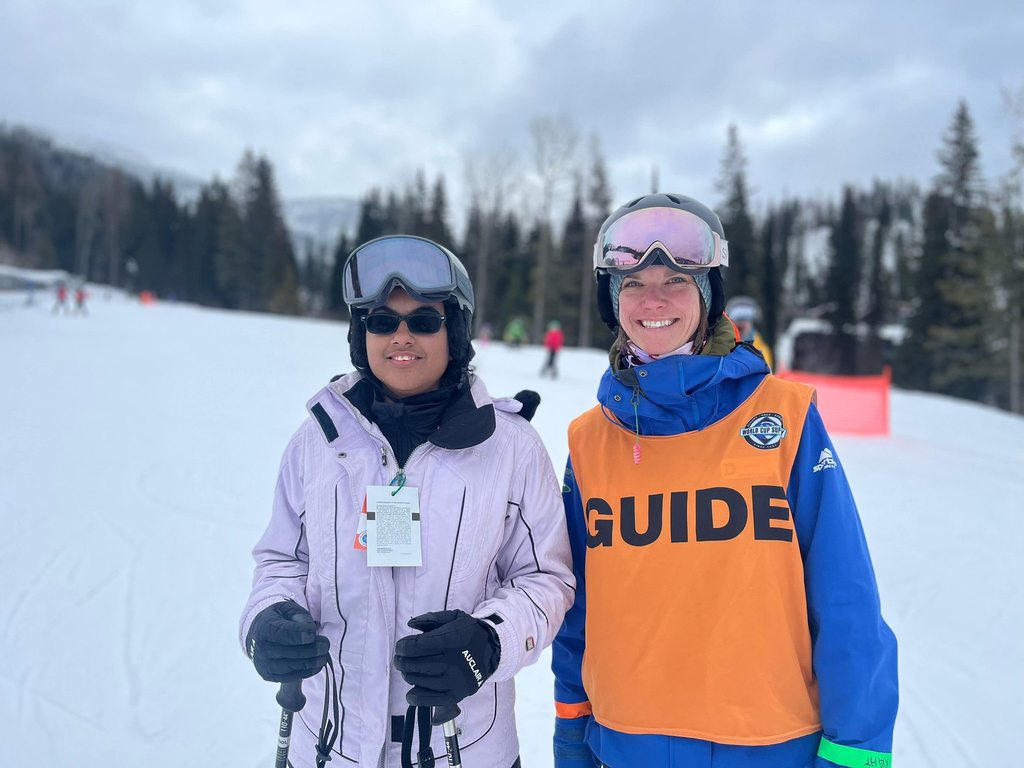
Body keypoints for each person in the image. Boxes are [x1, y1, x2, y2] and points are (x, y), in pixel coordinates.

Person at [552, 194, 898, 768]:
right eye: (632, 283)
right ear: (611, 301)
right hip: (623, 748)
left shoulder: (783, 416)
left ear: (708, 295)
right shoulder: (590, 441)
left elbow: (845, 595)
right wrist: (571, 733)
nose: (654, 299)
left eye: (677, 281)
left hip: (769, 749)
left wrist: (856, 754)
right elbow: (578, 613)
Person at [240, 234, 574, 768]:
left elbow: (546, 579)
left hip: (461, 745)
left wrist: (489, 641)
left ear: (456, 332)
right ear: (360, 335)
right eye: (380, 321)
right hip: (329, 745)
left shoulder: (510, 448)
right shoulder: (318, 442)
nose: (402, 336)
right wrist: (265, 622)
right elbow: (282, 560)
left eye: (424, 321)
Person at [726, 294, 773, 369]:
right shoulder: (722, 348)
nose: (741, 325)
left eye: (745, 320)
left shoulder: (762, 351)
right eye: (737, 321)